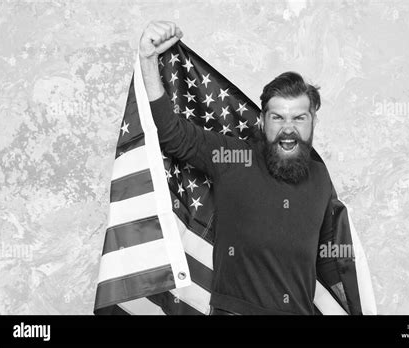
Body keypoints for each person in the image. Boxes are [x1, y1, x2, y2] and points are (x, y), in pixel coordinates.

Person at [139, 21, 337, 315]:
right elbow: (174, 136)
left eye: (299, 118)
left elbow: (334, 262)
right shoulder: (236, 159)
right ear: (261, 121)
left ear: (313, 122)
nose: (288, 129)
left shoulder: (321, 178)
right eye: (277, 118)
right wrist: (147, 61)